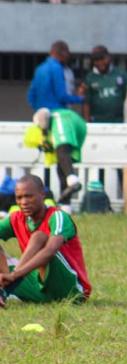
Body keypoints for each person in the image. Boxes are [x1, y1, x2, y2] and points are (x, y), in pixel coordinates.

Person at [0, 175, 91, 308]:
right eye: (19, 198)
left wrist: (15, 275)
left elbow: (50, 251)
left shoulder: (58, 216)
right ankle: (4, 291)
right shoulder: (16, 219)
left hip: (71, 291)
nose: (23, 202)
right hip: (40, 289)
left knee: (39, 237)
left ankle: (9, 286)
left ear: (42, 195)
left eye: (29, 196)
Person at [24, 108, 86, 206]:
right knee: (60, 168)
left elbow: (62, 148)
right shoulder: (51, 123)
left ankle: (73, 180)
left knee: (61, 151)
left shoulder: (59, 121)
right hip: (77, 125)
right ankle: (65, 205)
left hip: (70, 123)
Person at [27, 41, 84, 111]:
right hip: (56, 113)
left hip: (41, 114)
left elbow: (31, 96)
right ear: (64, 54)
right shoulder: (57, 68)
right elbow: (62, 96)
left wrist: (39, 109)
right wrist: (81, 99)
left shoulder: (40, 68)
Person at [83, 45, 127, 123]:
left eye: (102, 59)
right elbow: (86, 102)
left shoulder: (121, 74)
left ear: (109, 58)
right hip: (97, 121)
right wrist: (87, 122)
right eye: (96, 60)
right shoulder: (90, 78)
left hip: (119, 121)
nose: (100, 62)